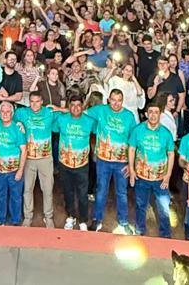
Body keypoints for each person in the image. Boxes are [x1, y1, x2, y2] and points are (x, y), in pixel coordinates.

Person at [87, 88, 137, 233]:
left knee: (121, 192)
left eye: (119, 100)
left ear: (123, 101)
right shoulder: (100, 110)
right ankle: (97, 219)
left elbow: (133, 141)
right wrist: (59, 109)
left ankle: (123, 221)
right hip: (103, 160)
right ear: (108, 100)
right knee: (101, 190)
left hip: (122, 162)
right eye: (113, 100)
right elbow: (79, 112)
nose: (116, 103)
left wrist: (131, 164)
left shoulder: (129, 116)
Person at [128, 102, 176, 238]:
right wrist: (131, 170)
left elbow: (171, 154)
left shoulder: (166, 133)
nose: (154, 115)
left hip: (160, 179)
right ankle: (139, 230)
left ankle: (165, 234)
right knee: (140, 205)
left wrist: (168, 175)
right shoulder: (138, 130)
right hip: (141, 177)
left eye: (156, 112)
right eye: (151, 112)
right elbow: (131, 149)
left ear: (160, 115)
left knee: (163, 208)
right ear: (146, 114)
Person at [55, 92, 96, 231]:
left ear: (82, 106)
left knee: (83, 193)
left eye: (78, 105)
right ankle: (71, 217)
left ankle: (83, 220)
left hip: (82, 165)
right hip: (64, 164)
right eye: (72, 105)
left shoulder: (89, 121)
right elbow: (52, 129)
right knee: (68, 192)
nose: (75, 108)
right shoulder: (61, 120)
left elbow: (99, 132)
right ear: (69, 107)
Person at [15, 90, 55, 227]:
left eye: (37, 101)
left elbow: (70, 114)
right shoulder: (22, 113)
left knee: (48, 188)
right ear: (29, 102)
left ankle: (48, 216)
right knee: (27, 188)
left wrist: (60, 108)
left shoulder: (49, 113)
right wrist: (17, 123)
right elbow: (6, 115)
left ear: (42, 102)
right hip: (28, 158)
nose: (34, 104)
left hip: (45, 157)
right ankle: (28, 216)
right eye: (32, 102)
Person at [0, 99, 28, 226]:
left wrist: (20, 171)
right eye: (3, 111)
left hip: (14, 171)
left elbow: (24, 151)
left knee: (15, 196)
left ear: (12, 114)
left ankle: (15, 220)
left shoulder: (18, 128)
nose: (5, 114)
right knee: (0, 195)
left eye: (8, 111)